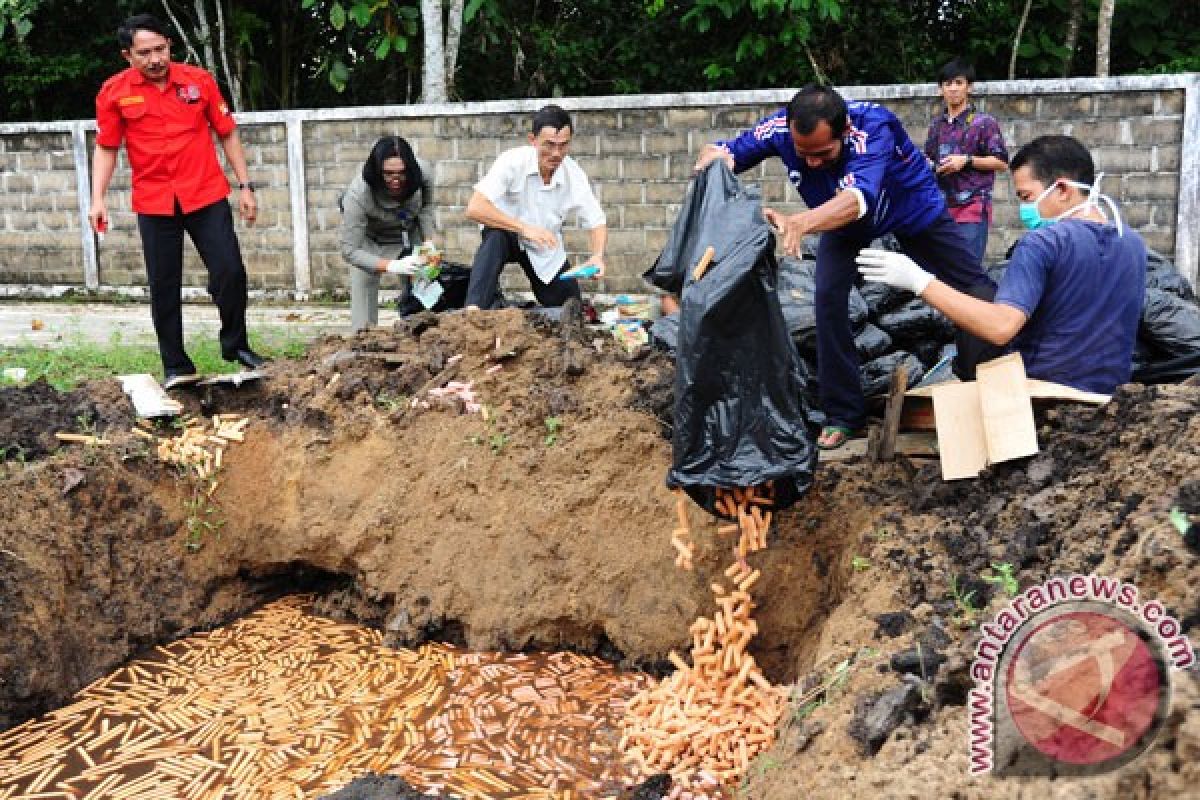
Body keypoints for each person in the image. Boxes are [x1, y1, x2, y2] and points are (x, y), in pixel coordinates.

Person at [695, 85, 995, 449]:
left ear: (846, 130)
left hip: (911, 210)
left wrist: (802, 222)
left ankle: (986, 387)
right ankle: (843, 415)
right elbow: (728, 152)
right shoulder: (777, 127)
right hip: (840, 222)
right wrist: (715, 161)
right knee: (827, 300)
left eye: (823, 153)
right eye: (803, 154)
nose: (812, 163)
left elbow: (856, 200)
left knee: (974, 289)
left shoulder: (874, 128)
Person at [857, 135, 1145, 395]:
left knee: (979, 301)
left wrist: (919, 281)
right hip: (1111, 397)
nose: (1025, 209)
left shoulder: (1044, 243)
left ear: (1062, 190)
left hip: (1044, 396)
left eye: (1026, 197)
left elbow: (1001, 328)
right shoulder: (1132, 243)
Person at [88, 13, 263, 387]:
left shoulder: (198, 82)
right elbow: (106, 147)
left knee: (230, 271)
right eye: (144, 53)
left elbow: (227, 133)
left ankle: (236, 345)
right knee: (164, 286)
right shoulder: (114, 92)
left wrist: (245, 186)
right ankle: (177, 366)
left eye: (161, 49)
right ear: (128, 56)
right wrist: (97, 198)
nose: (155, 60)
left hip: (206, 194)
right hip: (154, 202)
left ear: (170, 46)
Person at [463, 104, 607, 311]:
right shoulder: (512, 161)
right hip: (507, 232)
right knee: (495, 237)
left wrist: (597, 256)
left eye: (563, 145)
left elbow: (597, 221)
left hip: (544, 245)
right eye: (549, 145)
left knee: (571, 309)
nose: (556, 153)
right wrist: (524, 228)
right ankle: (474, 309)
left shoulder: (573, 174)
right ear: (533, 140)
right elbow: (475, 208)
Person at [338, 136, 435, 331]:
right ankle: (363, 352)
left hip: (408, 234)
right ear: (377, 171)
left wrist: (428, 241)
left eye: (401, 173)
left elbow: (426, 206)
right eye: (388, 174)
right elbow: (349, 249)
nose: (396, 180)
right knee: (362, 320)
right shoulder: (358, 194)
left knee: (424, 298)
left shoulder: (423, 173)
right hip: (369, 241)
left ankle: (419, 344)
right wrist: (392, 265)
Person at [923, 59, 1009, 264]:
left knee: (967, 270)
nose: (953, 89)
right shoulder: (936, 125)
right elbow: (929, 158)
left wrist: (967, 161)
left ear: (969, 87)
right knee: (941, 271)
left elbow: (1001, 163)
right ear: (940, 89)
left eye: (958, 83)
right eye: (947, 84)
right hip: (941, 208)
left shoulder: (984, 123)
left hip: (972, 207)